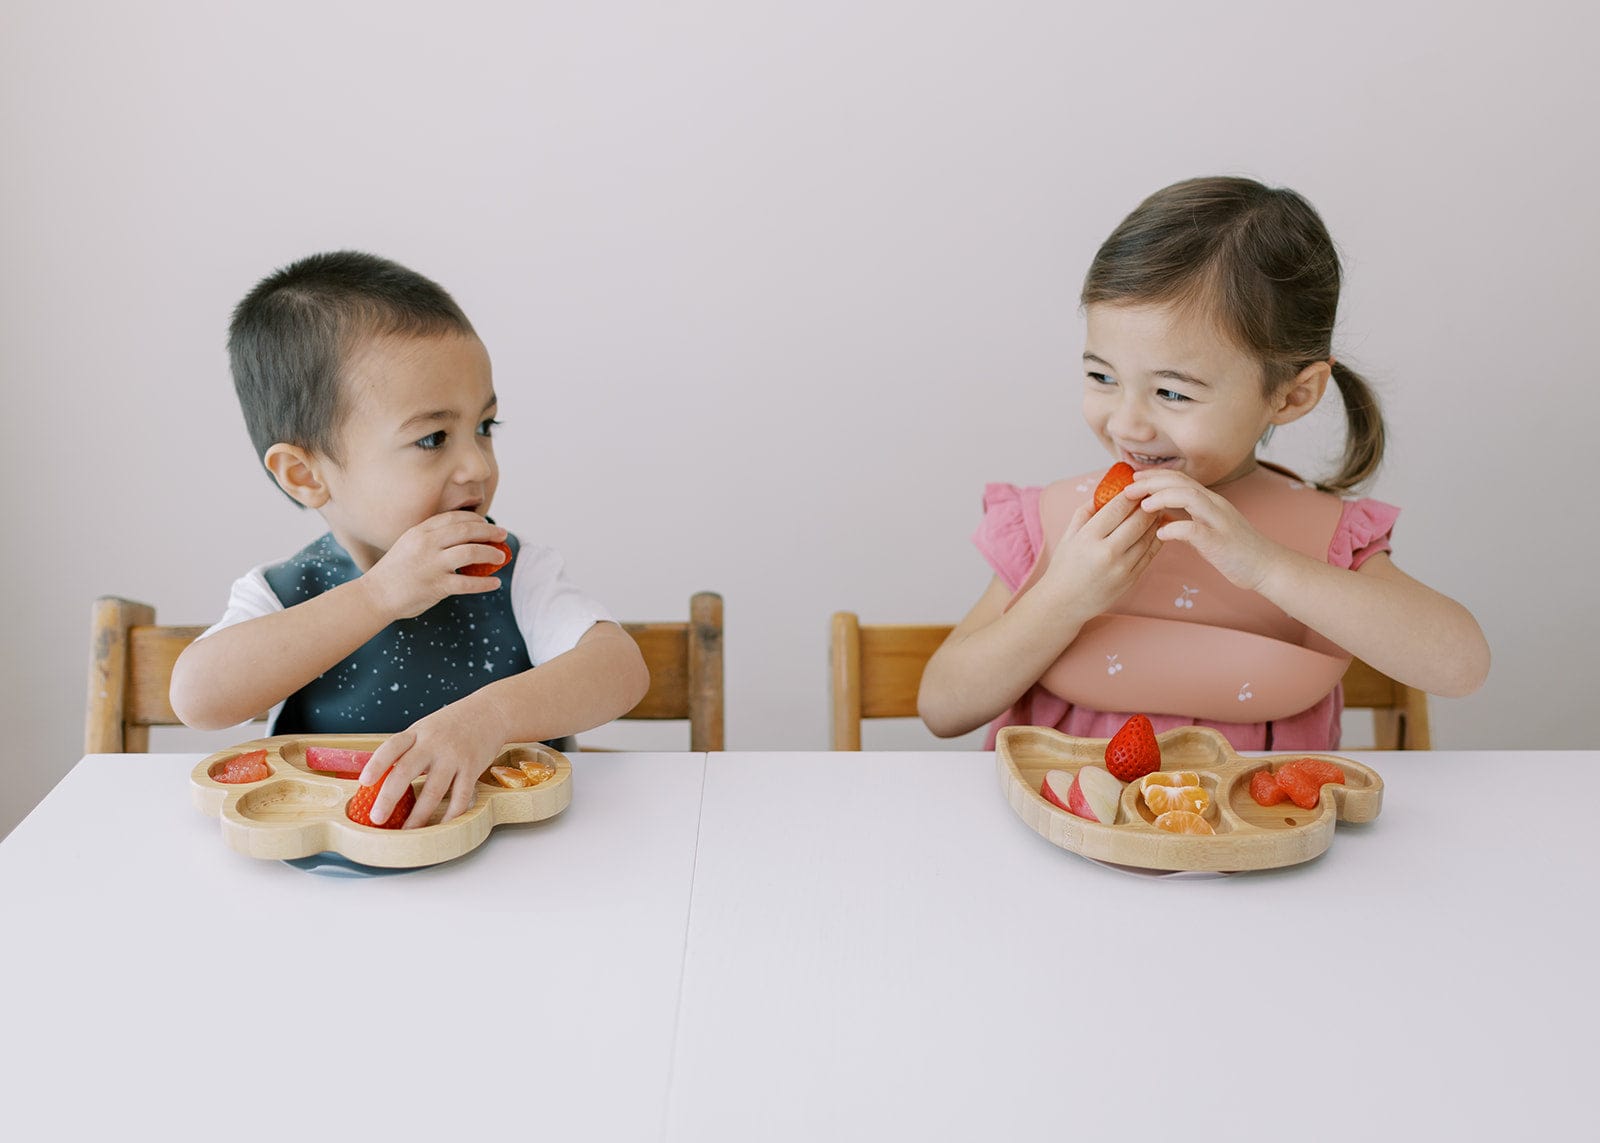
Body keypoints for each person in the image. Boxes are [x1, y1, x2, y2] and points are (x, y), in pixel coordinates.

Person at [918, 176, 1489, 751]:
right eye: (1102, 377)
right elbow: (942, 707)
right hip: (1055, 835)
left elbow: (1461, 667)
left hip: (1253, 840)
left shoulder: (1327, 542)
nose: (1126, 425)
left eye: (1172, 393)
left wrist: (1265, 565)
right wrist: (1063, 596)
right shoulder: (1049, 525)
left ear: (1291, 396)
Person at [170, 251, 649, 827]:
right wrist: (378, 596)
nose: (476, 465)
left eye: (484, 428)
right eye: (432, 439)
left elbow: (621, 670)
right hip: (335, 869)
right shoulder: (284, 593)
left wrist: (488, 719)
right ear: (307, 474)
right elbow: (198, 698)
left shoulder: (516, 571)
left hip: (518, 864)